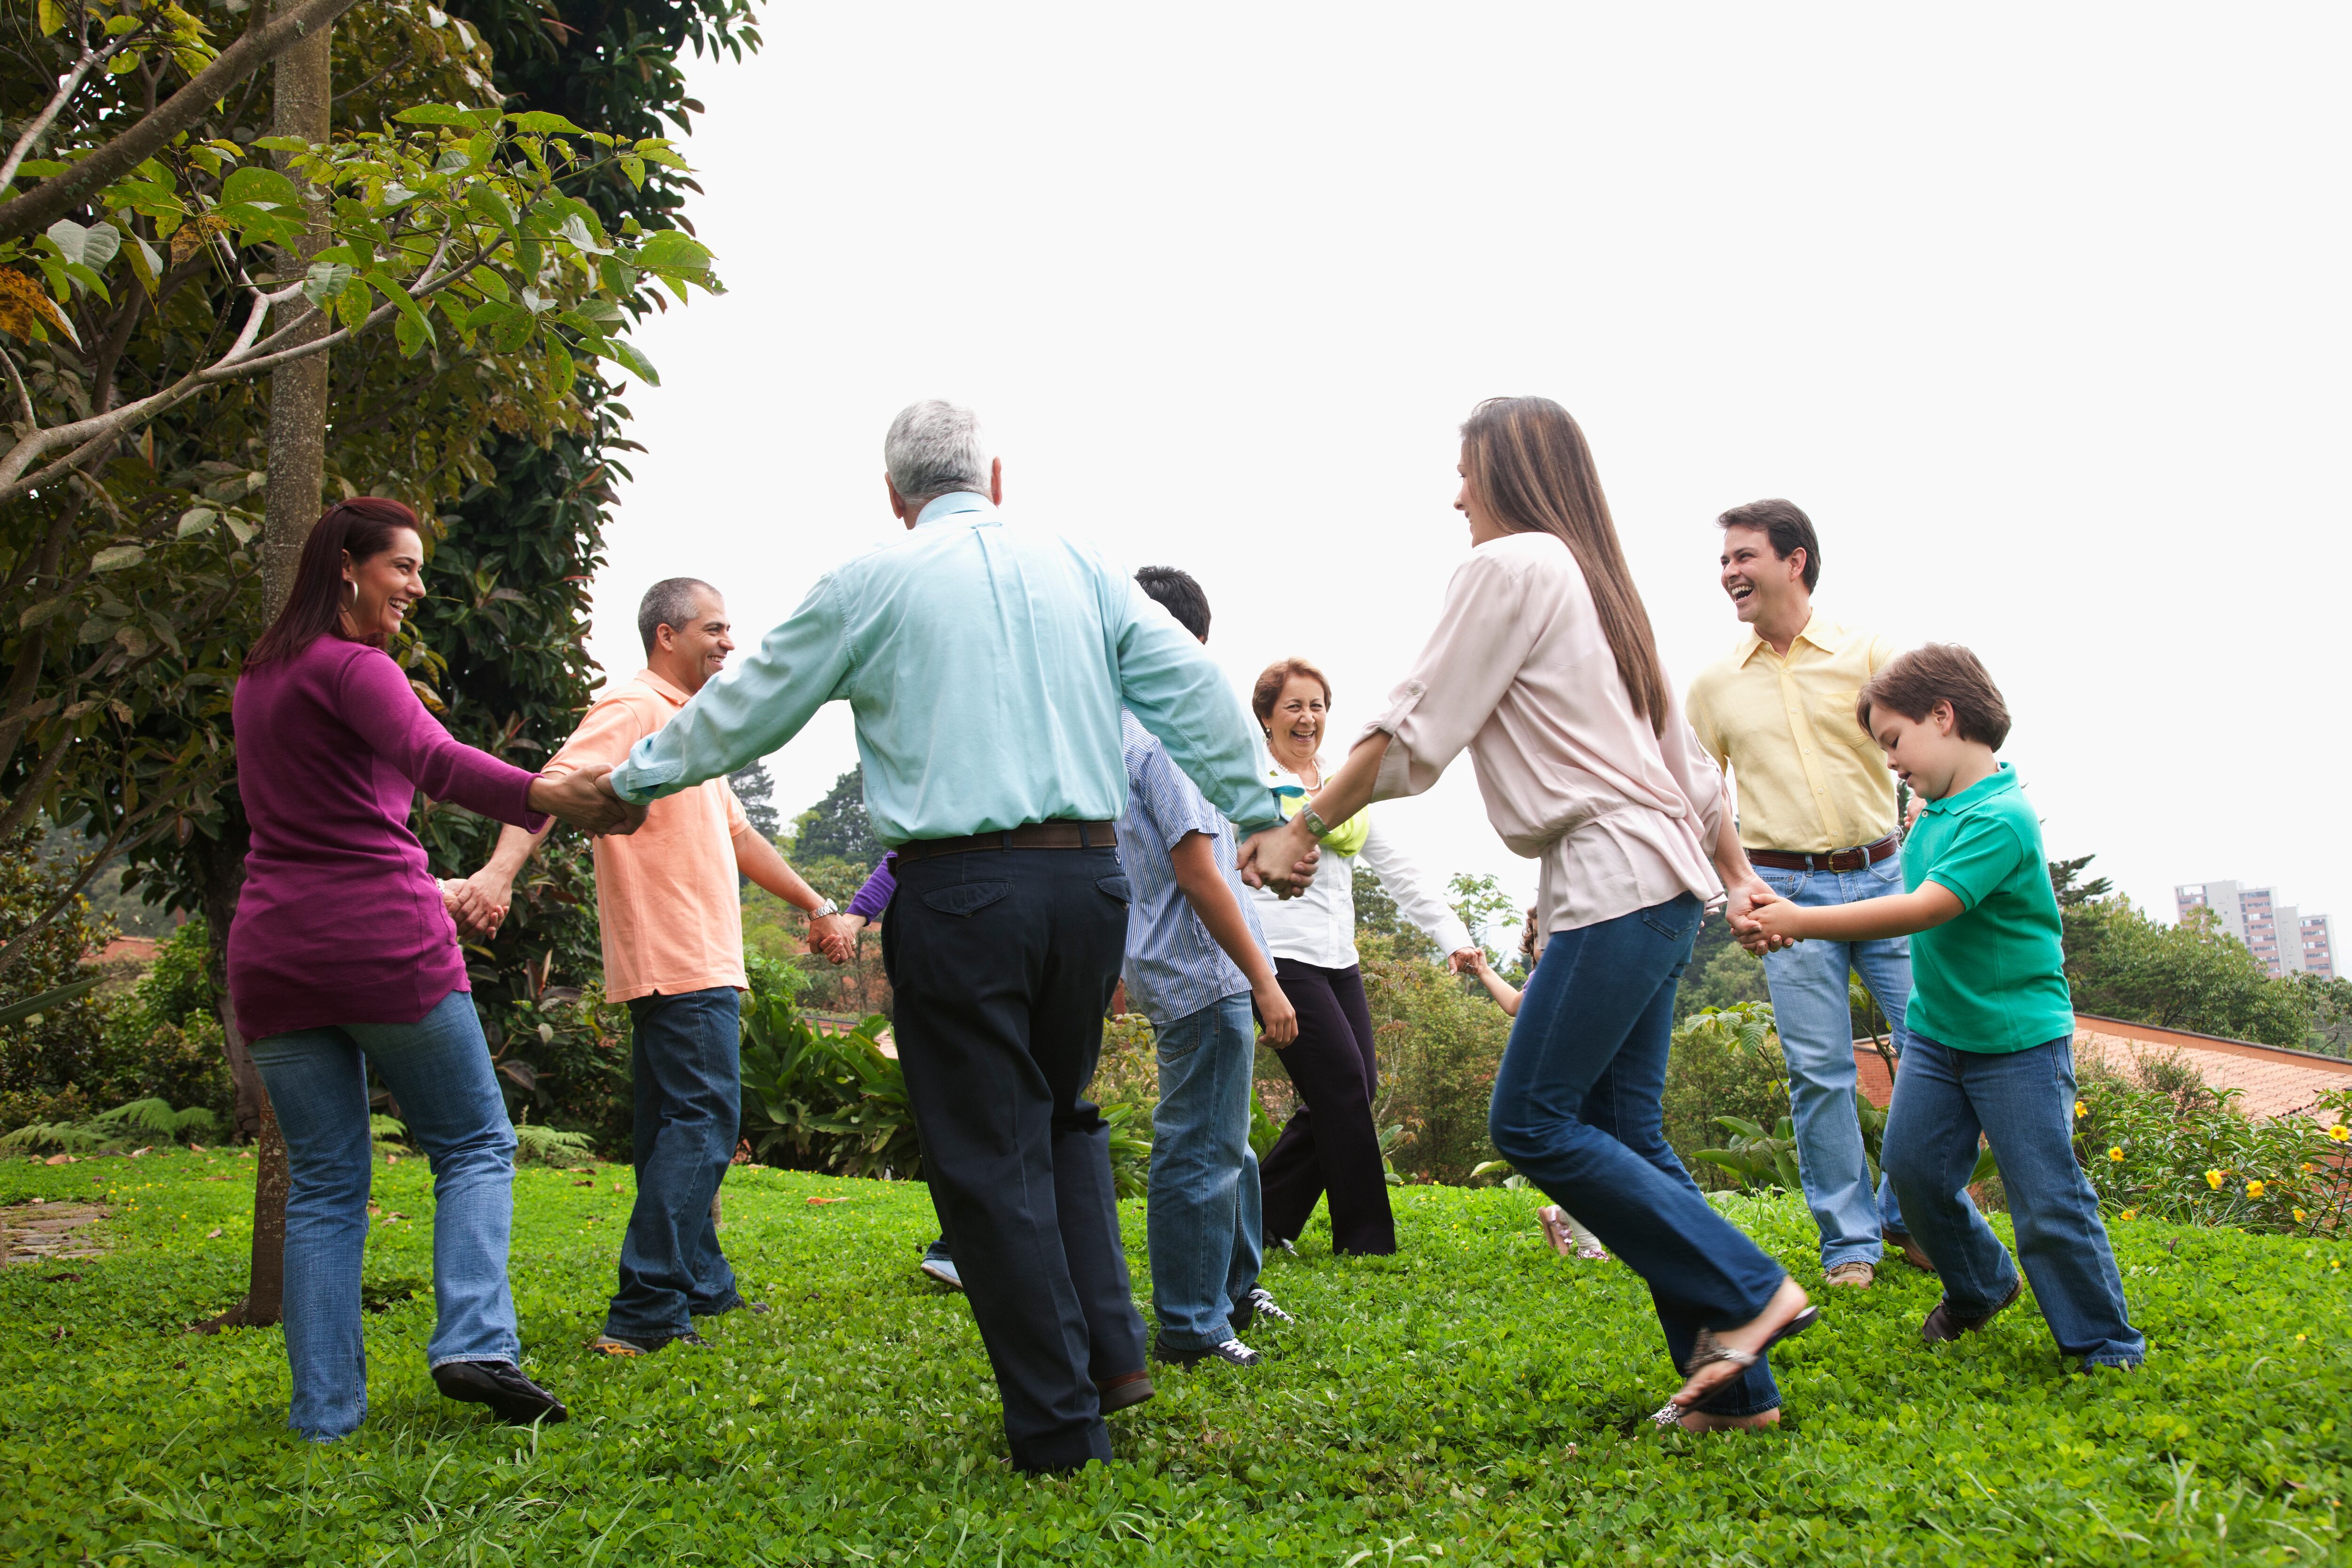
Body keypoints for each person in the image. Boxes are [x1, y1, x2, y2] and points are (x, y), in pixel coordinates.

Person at [587, 401, 1316, 1473]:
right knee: (1060, 1115)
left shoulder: (868, 582)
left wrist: (629, 780)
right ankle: (1110, 1355)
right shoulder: (1081, 564)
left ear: (895, 497)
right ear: (997, 477)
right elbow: (1191, 689)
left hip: (962, 892)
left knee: (986, 1155)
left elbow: (749, 704)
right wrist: (1264, 809)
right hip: (1088, 890)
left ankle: (1061, 1426)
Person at [1239, 397, 1814, 1431]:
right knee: (1628, 1132)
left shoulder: (1510, 566)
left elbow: (1412, 728)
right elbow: (1689, 768)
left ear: (1506, 470)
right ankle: (1740, 1395)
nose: (1456, 494)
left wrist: (1303, 825)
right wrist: (1732, 876)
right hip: (1663, 885)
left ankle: (1749, 1286)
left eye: (1465, 470)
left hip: (1613, 879)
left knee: (1532, 1120)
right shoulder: (1601, 587)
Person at [226, 497, 635, 1442]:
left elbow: (319, 821)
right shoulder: (355, 665)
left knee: (325, 1183)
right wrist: (549, 794)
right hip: (382, 943)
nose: (417, 586)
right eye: (402, 567)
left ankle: (324, 1416)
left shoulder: (259, 676)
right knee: (474, 1142)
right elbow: (435, 759)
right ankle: (475, 1341)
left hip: (275, 951)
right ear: (346, 566)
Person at [461, 578, 837, 1355]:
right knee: (705, 1121)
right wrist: (498, 874)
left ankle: (702, 1284)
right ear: (667, 634)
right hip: (678, 952)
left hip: (693, 954)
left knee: (677, 1125)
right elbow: (550, 789)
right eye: (714, 627)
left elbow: (739, 836)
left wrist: (815, 902)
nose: (729, 641)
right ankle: (645, 1307)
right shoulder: (635, 707)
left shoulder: (691, 726)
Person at [1748, 646, 2143, 1369]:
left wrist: (1800, 919)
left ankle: (2105, 1342)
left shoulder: (2001, 818)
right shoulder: (1935, 812)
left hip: (2017, 1043)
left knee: (2046, 1198)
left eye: (1894, 740)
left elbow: (1927, 908)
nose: (1891, 761)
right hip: (1938, 1037)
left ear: (1943, 715)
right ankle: (1982, 1284)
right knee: (1915, 1173)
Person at [1685, 500, 1921, 1288]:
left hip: (1884, 876)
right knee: (1820, 1072)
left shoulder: (1871, 654)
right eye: (1724, 561)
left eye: (1743, 556)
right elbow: (1698, 794)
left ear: (1795, 561)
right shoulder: (1715, 684)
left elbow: (1928, 740)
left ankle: (1908, 1214)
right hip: (1782, 887)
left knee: (1934, 1048)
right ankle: (1850, 1242)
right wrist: (1733, 886)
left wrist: (1928, 817)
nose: (1729, 572)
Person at [1116, 566, 1301, 1369]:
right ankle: (1193, 1323)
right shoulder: (1171, 735)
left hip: (1172, 960)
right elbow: (1197, 874)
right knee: (1200, 1148)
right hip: (1204, 966)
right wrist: (1264, 978)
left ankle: (1235, 1288)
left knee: (1228, 1140)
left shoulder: (1116, 728)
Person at [1247, 657, 1476, 1258]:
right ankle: (1366, 1240)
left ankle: (1260, 1217)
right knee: (1342, 1086)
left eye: (1317, 705)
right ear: (1266, 717)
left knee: (1355, 1086)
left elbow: (1398, 869)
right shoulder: (1248, 784)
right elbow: (1223, 864)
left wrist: (1452, 936)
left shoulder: (1340, 787)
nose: (1307, 718)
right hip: (1277, 954)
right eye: (1293, 706)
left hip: (1336, 957)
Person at [1461, 912, 1606, 1263]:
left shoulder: (1592, 967)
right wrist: (1484, 971)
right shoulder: (1546, 976)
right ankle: (1589, 1247)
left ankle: (1560, 1216)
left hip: (1596, 1076)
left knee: (1599, 1158)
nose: (1546, 945)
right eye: (1540, 937)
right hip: (1561, 1081)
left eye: (1556, 934)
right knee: (1580, 1156)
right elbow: (1516, 1005)